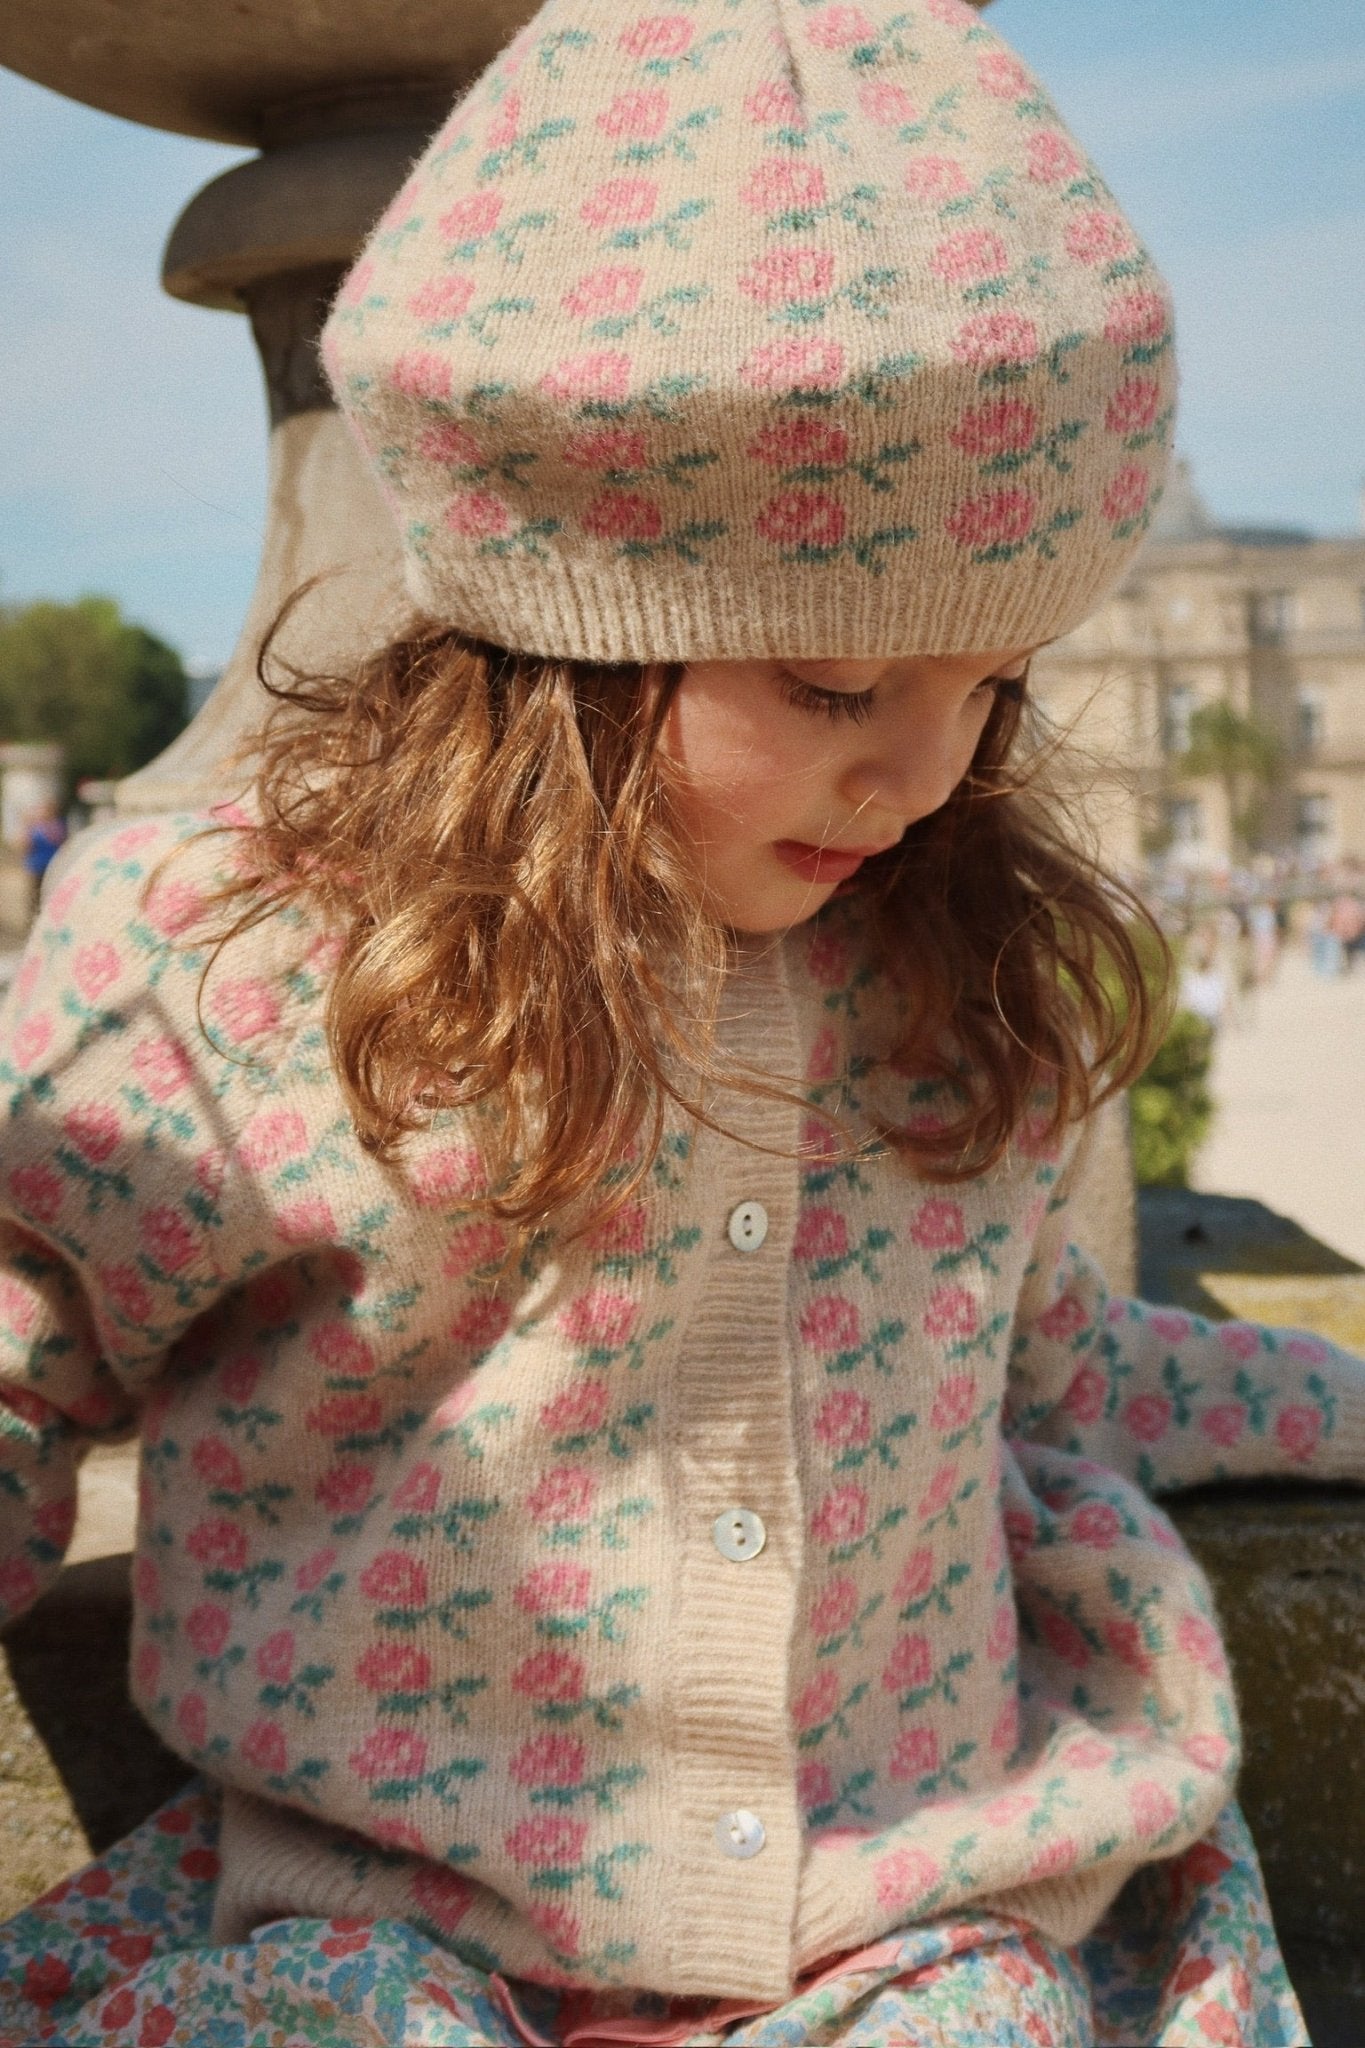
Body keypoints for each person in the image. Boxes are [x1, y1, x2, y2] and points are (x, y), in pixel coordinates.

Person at [0, 4, 1357, 2042]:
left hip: (890, 1906)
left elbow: (1058, 1371)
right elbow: (24, 1333)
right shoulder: (248, 969)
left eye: (991, 684)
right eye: (834, 688)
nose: (924, 771)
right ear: (559, 633)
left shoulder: (938, 978)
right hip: (394, 1914)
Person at [20, 798, 66, 922]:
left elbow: (61, 842)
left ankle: (48, 919)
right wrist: (26, 827)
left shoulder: (57, 826)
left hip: (52, 867)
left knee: (49, 894)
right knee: (34, 895)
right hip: (36, 867)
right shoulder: (34, 828)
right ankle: (32, 920)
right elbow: (25, 847)